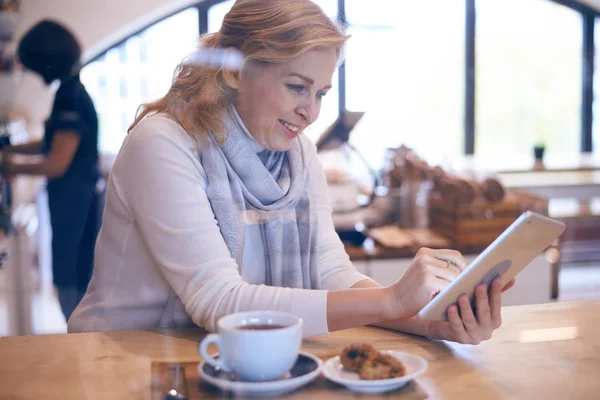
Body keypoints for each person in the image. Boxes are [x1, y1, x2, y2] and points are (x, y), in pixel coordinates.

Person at [68, 0, 513, 344]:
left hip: (230, 361)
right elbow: (219, 302)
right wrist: (392, 299)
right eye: (296, 87)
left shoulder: (298, 155)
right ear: (234, 70)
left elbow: (329, 272)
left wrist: (430, 323)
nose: (310, 112)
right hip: (118, 364)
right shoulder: (163, 143)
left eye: (320, 92)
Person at [1, 20, 101, 320]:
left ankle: (81, 345)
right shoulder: (70, 91)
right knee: (73, 279)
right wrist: (10, 150)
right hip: (75, 202)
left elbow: (57, 162)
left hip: (75, 205)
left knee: (72, 285)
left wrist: (11, 166)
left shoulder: (70, 98)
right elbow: (50, 143)